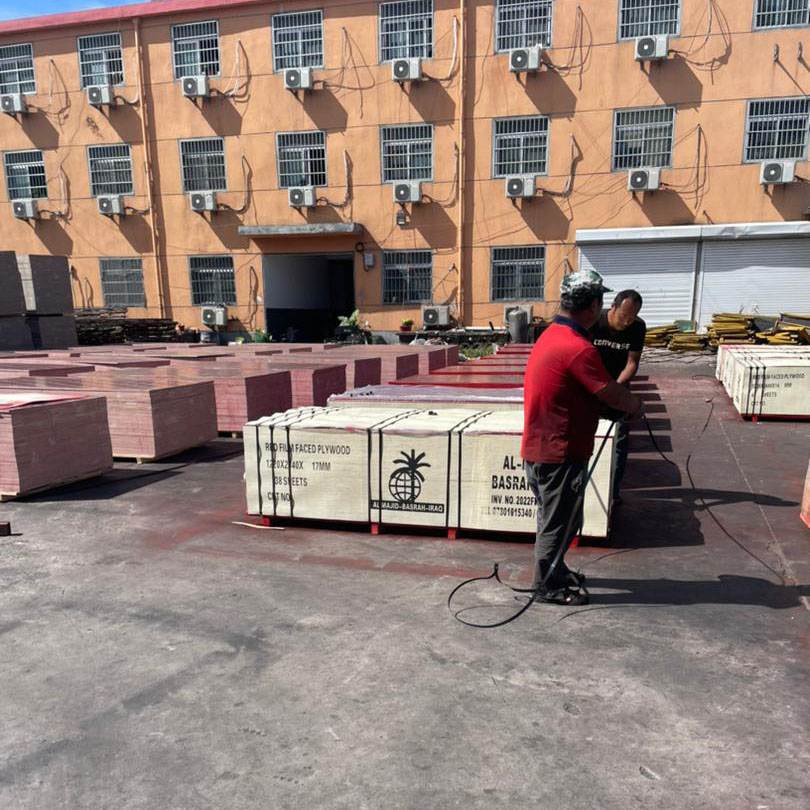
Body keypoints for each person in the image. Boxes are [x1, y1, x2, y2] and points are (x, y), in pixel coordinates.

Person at [521, 270, 643, 606]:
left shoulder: (552, 334)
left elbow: (575, 391)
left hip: (542, 446)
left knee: (562, 517)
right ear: (592, 306)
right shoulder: (577, 347)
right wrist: (635, 406)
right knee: (558, 522)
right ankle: (546, 586)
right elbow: (610, 393)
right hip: (559, 451)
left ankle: (556, 570)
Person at [589, 290, 647, 505]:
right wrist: (599, 389)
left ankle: (612, 492)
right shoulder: (595, 323)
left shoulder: (638, 327)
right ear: (612, 307)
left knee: (619, 440)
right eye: (624, 316)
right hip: (591, 386)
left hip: (618, 386)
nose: (627, 322)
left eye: (632, 317)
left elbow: (632, 363)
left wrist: (616, 388)